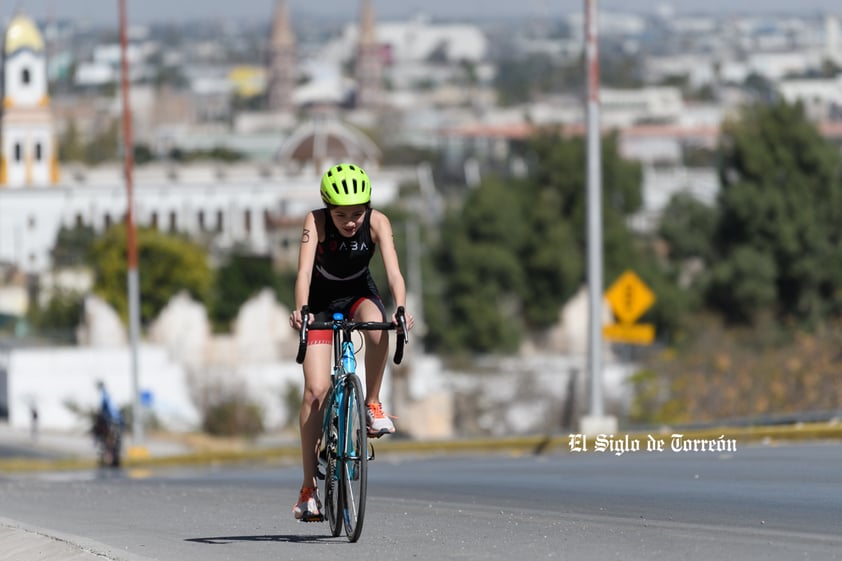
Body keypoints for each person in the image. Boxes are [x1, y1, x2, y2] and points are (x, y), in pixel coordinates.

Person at [289, 162, 414, 521]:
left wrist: (401, 308)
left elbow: (394, 273)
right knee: (315, 391)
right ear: (328, 208)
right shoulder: (314, 223)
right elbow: (302, 274)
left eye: (357, 213)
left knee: (377, 328)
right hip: (321, 304)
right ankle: (308, 489)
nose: (350, 222)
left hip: (360, 294)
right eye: (341, 214)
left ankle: (372, 404)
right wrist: (302, 310)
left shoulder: (379, 222)